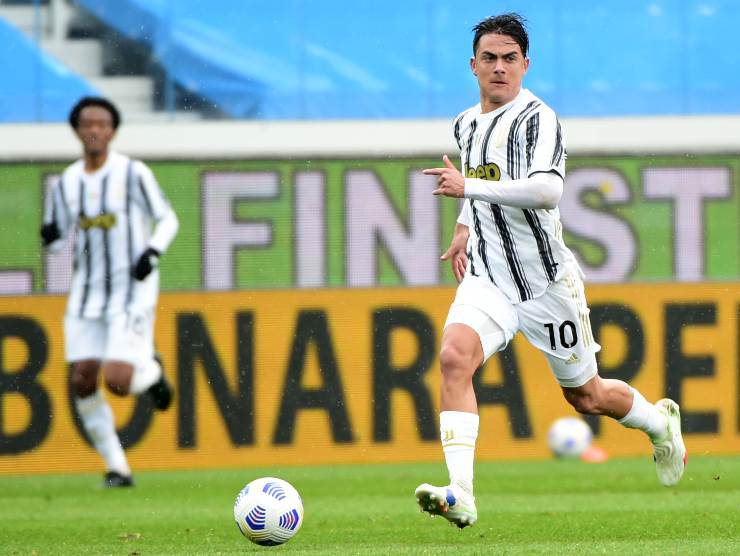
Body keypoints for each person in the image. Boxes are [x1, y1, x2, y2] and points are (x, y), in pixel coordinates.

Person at [414, 13, 686, 528]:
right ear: (473, 66)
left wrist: (467, 190)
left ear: (525, 65)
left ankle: (659, 424)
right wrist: (463, 225)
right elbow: (477, 179)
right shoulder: (464, 123)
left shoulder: (539, 120)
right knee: (453, 357)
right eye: (489, 59)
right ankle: (462, 493)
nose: (499, 68)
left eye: (509, 59)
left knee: (587, 395)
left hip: (545, 284)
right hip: (490, 278)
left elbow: (546, 191)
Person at [41, 96, 179, 487]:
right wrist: (49, 237)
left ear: (113, 131)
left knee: (117, 381)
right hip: (86, 293)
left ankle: (150, 374)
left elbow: (168, 218)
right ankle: (117, 467)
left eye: (102, 123)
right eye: (87, 123)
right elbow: (55, 239)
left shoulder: (133, 173)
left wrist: (152, 252)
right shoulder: (66, 182)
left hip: (131, 290)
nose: (95, 130)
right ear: (77, 130)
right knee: (83, 379)